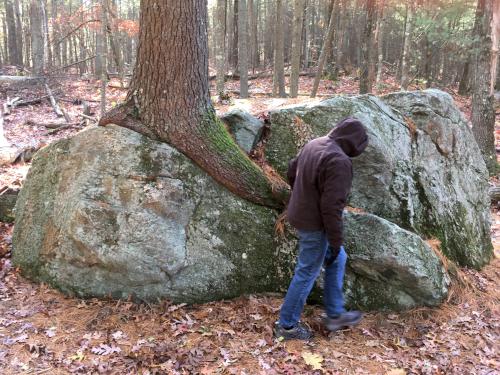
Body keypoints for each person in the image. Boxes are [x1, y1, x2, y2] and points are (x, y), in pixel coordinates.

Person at [274, 117, 369, 341]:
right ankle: (286, 326)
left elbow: (291, 169)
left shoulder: (315, 143)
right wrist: (335, 242)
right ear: (355, 144)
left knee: (338, 259)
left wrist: (303, 195)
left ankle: (335, 314)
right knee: (307, 271)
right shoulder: (339, 161)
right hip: (314, 224)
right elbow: (331, 208)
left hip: (300, 214)